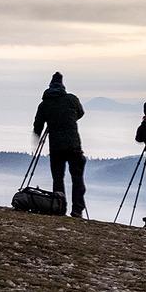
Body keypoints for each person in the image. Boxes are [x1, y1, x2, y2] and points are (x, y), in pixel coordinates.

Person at [32, 72, 86, 218]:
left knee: (58, 178)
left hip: (56, 147)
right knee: (77, 178)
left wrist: (50, 122)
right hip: (74, 145)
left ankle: (59, 208)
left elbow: (37, 127)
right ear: (62, 86)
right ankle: (77, 210)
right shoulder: (72, 99)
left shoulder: (44, 104)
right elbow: (80, 113)